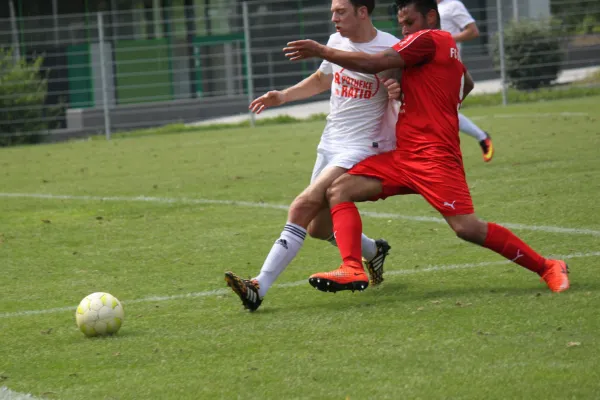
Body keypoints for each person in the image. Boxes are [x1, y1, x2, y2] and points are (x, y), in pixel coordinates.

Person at [283, 0, 569, 294]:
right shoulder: (441, 46)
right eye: (401, 25)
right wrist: (425, 96)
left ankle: (548, 266)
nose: (405, 31)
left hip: (435, 158)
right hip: (404, 155)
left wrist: (321, 50)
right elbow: (466, 82)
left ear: (431, 16)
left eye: (409, 22)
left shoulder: (428, 37)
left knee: (466, 228)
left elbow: (372, 63)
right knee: (340, 189)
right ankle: (352, 267)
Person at [224, 0, 402, 311]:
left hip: (364, 146)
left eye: (341, 11)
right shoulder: (335, 42)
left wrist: (398, 90)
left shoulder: (390, 47)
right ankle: (374, 251)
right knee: (318, 228)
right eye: (332, 10)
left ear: (363, 11)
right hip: (331, 142)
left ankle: (258, 287)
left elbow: (410, 89)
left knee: (302, 204)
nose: (333, 17)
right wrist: (284, 96)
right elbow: (323, 79)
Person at [436, 0, 494, 162]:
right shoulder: (425, 8)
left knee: (444, 111)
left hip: (449, 67)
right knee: (441, 111)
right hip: (431, 68)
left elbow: (472, 31)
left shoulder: (453, 5)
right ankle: (482, 138)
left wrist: (443, 39)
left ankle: (481, 138)